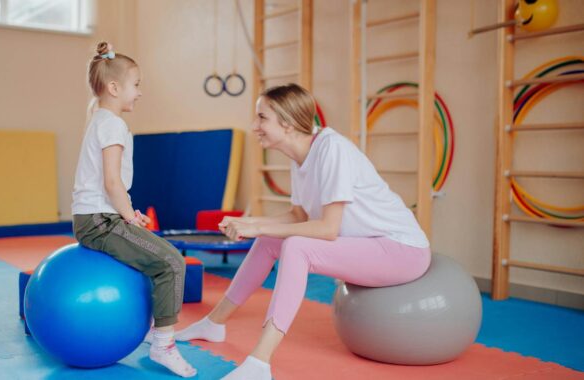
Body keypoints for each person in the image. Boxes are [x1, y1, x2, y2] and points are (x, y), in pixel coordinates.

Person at [175, 83, 431, 380]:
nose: (254, 125)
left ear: (286, 122)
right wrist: (251, 223)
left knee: (297, 246)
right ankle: (214, 323)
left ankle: (259, 363)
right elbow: (297, 215)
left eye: (262, 118)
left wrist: (256, 226)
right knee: (273, 238)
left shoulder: (332, 149)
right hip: (371, 245)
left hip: (402, 251)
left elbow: (328, 228)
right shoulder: (302, 156)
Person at [72, 41, 196, 378]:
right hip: (101, 222)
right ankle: (164, 345)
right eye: (136, 84)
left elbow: (110, 186)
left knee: (151, 257)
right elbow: (112, 182)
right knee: (172, 262)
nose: (140, 92)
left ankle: (149, 331)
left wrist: (129, 213)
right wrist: (127, 216)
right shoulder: (112, 125)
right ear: (114, 88)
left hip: (97, 218)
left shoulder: (100, 119)